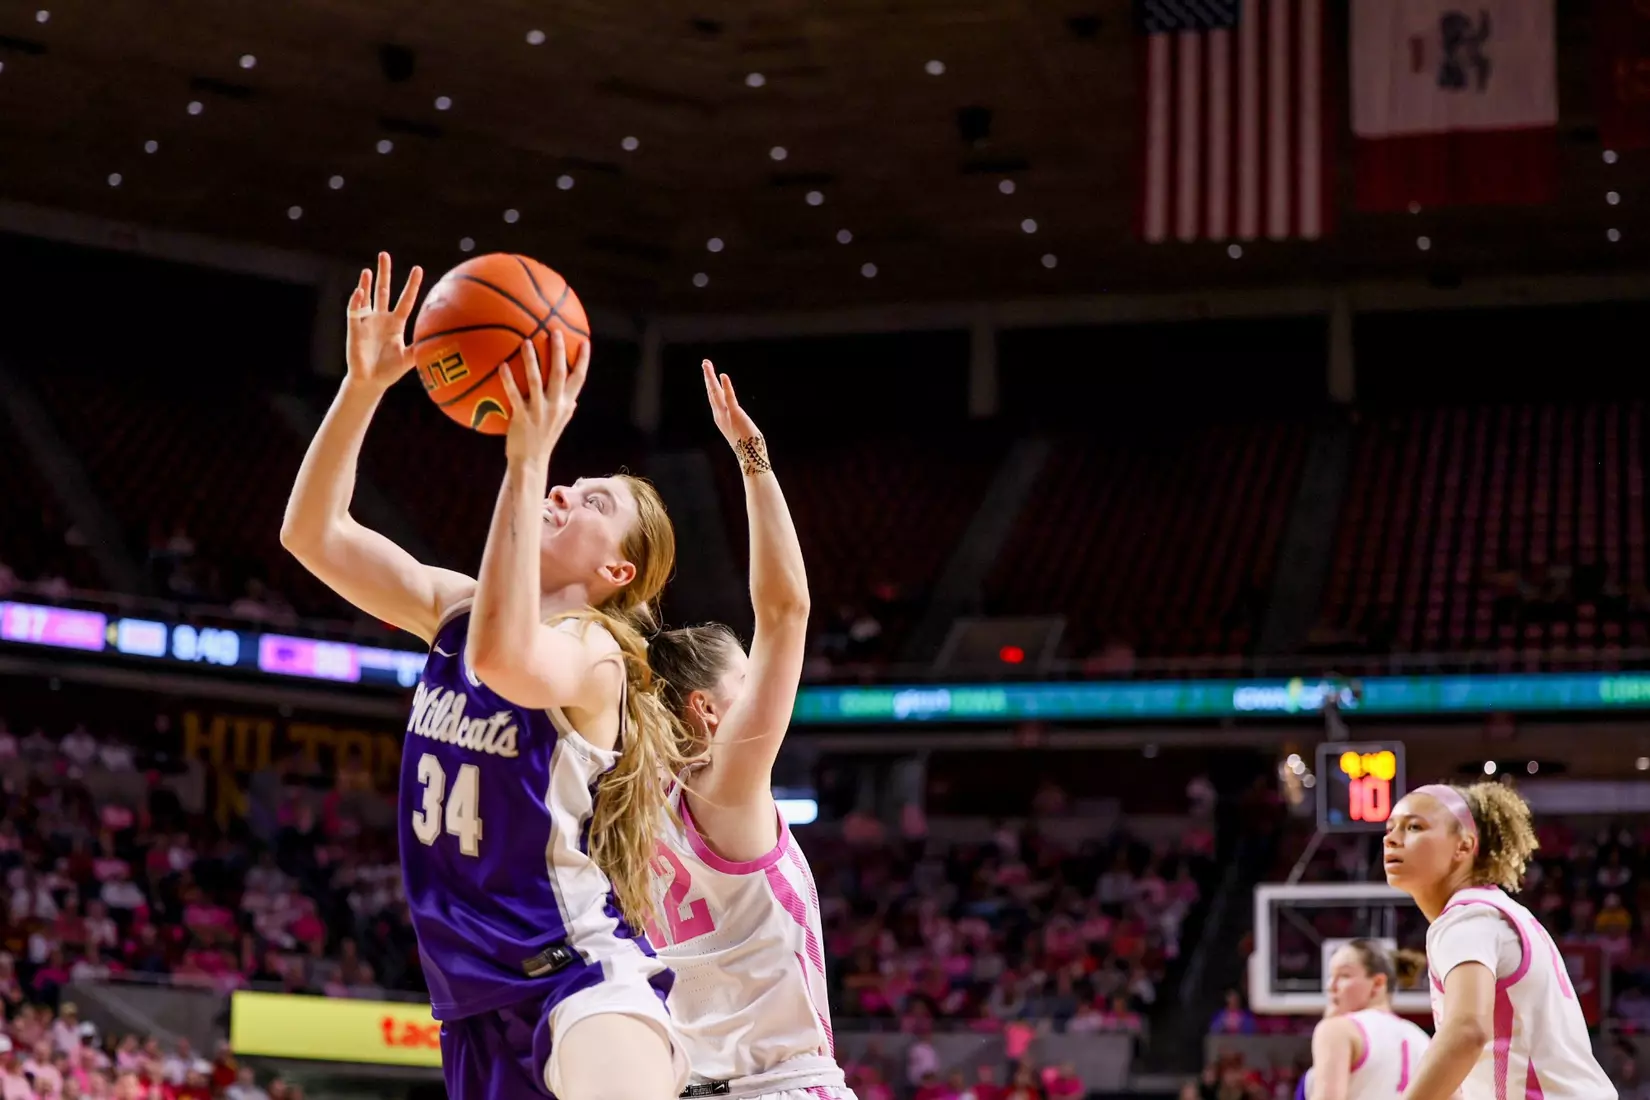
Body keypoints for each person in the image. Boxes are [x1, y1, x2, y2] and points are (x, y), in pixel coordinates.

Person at [281, 253, 689, 1100]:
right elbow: (312, 534)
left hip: (581, 984)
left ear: (617, 573)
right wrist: (362, 388)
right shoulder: (456, 609)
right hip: (472, 1005)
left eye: (595, 502)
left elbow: (506, 660)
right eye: (568, 481)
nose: (566, 492)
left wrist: (525, 462)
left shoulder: (596, 654)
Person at [643, 362, 852, 1100]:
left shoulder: (629, 805)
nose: (761, 689)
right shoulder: (726, 788)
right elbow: (786, 611)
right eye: (746, 679)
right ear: (707, 709)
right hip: (784, 1086)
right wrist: (752, 457)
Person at [1382, 782, 1615, 1100]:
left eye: (1414, 827)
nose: (1391, 838)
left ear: (1463, 846)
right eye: (1390, 828)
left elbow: (1467, 1033)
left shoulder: (1467, 918)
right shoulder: (1497, 912)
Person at [1304, 940, 1430, 1100]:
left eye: (1344, 975)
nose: (1331, 986)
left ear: (1378, 983)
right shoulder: (1423, 1040)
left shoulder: (1339, 1029)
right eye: (1331, 976)